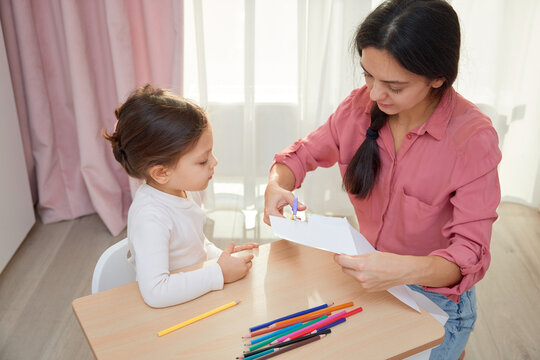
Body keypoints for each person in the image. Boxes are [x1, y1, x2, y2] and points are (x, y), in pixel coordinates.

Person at [263, 0, 501, 358]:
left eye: (394, 85)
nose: (374, 94)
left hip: (437, 301)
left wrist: (403, 270)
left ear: (438, 77)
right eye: (367, 75)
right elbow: (299, 156)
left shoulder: (472, 139)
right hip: (372, 283)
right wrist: (276, 185)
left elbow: (469, 256)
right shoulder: (358, 107)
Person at [104, 84, 258, 308]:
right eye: (203, 160)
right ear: (161, 172)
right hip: (169, 313)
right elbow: (156, 292)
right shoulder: (151, 217)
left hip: (193, 297)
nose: (214, 162)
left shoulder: (181, 190)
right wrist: (219, 273)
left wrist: (220, 258)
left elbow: (195, 244)